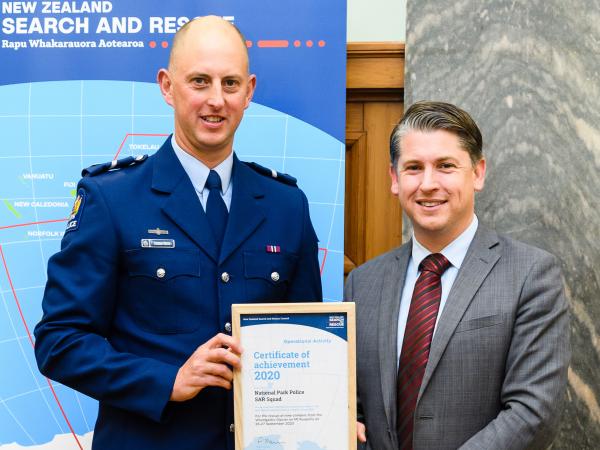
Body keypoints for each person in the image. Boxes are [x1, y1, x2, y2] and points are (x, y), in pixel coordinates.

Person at [34, 16, 322, 450]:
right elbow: (60, 342)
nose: (216, 100)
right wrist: (168, 380)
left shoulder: (287, 206)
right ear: (168, 87)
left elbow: (310, 341)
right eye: (199, 81)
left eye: (230, 83)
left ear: (250, 91)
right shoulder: (112, 199)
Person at [344, 101, 569, 450]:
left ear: (478, 173)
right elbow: (352, 405)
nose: (428, 184)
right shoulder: (363, 283)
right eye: (414, 168)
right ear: (394, 178)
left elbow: (534, 412)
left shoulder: (531, 275)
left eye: (446, 166)